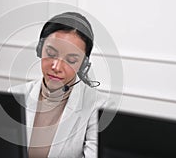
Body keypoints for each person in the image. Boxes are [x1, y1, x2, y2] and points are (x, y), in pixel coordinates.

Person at [10, 12, 106, 158]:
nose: (57, 66)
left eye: (71, 60)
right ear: (39, 49)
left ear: (83, 64)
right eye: (51, 53)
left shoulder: (98, 107)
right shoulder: (15, 95)